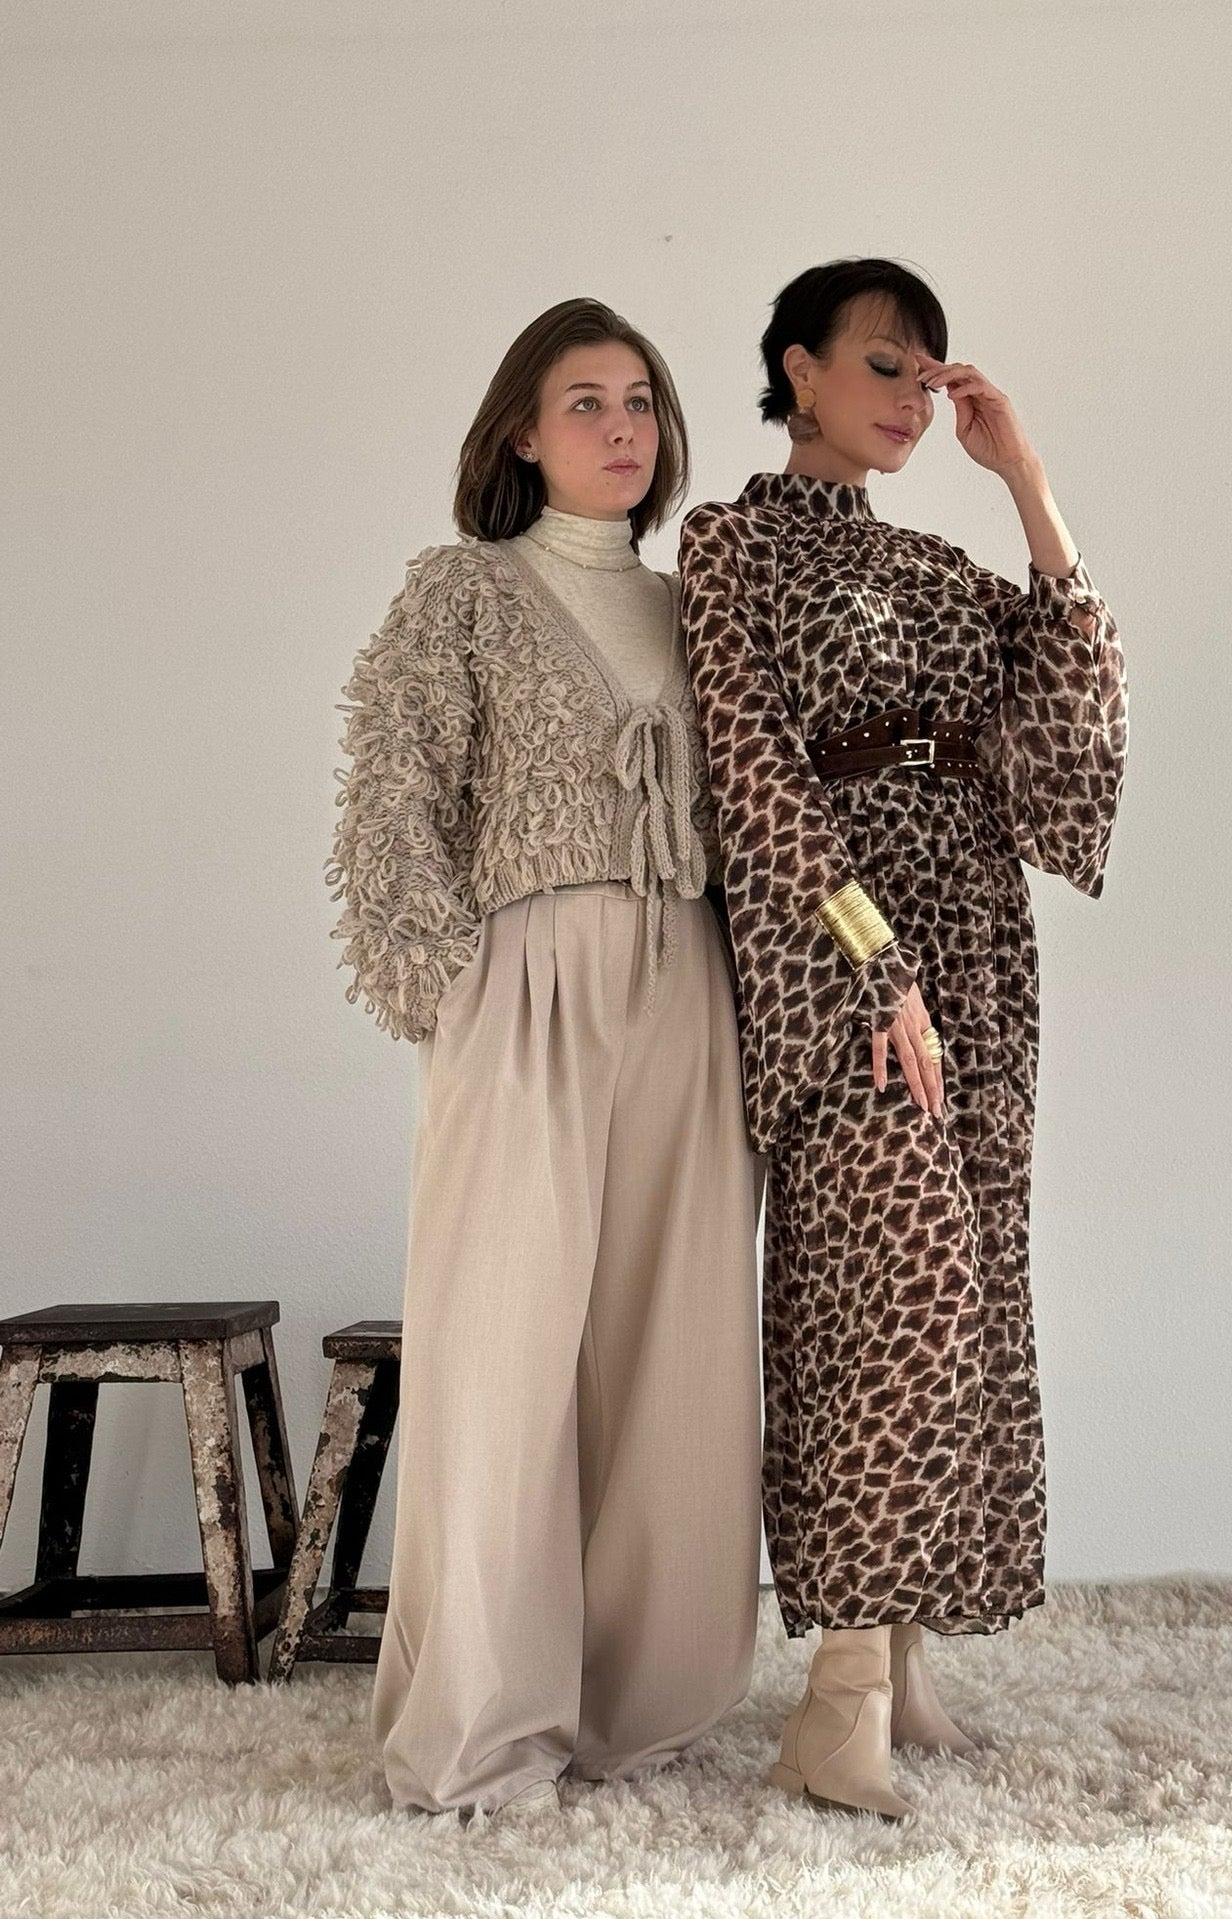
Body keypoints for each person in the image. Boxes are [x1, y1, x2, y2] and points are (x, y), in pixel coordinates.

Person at [677, 258, 1127, 1822]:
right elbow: (753, 773)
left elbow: (1067, 728)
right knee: (892, 1297)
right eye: (883, 365)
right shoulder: (730, 544)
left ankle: (908, 1654)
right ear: (798, 369)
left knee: (972, 1292)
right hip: (841, 959)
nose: (912, 401)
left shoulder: (940, 566)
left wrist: (1029, 487)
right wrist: (876, 968)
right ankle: (839, 1699)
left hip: (977, 941)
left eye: (929, 379)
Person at [328, 298, 762, 1817]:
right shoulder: (465, 590)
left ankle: (640, 1698)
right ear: (522, 430)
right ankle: (488, 1723)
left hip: (693, 979)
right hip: (526, 981)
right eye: (586, 401)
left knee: (674, 1344)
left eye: (641, 399)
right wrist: (444, 981)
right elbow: (393, 783)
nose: (622, 427)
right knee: (501, 1344)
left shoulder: (704, 608)